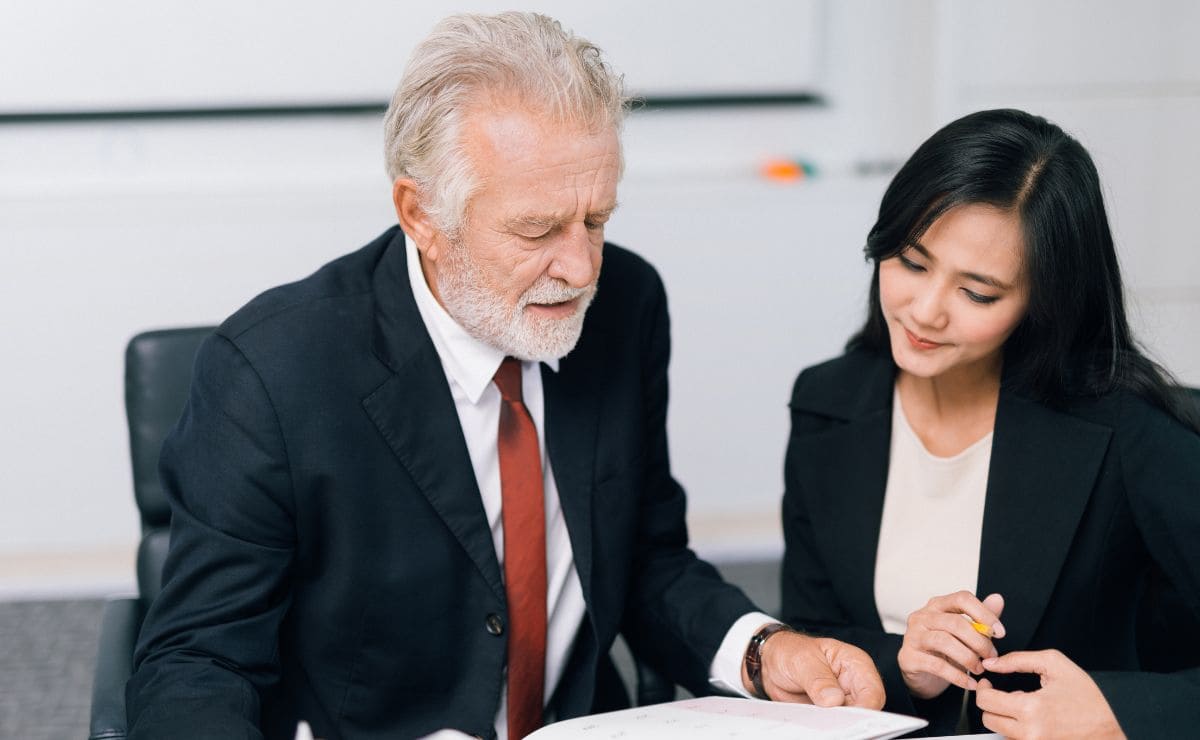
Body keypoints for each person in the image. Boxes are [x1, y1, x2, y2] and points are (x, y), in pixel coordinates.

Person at [125, 12, 884, 740]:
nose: (581, 268)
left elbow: (645, 558)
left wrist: (761, 650)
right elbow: (200, 662)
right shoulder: (274, 371)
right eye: (537, 229)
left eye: (597, 220)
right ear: (420, 213)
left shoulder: (627, 304)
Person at [779, 107, 1200, 738]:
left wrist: (1118, 713)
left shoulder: (1131, 430)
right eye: (911, 262)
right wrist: (904, 665)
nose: (924, 312)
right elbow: (811, 638)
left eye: (977, 293)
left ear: (1044, 302)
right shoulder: (828, 398)